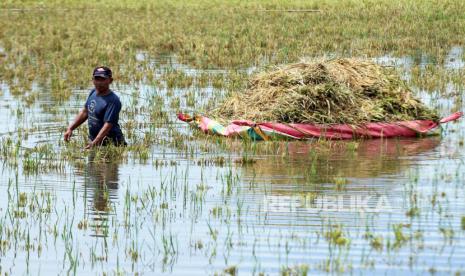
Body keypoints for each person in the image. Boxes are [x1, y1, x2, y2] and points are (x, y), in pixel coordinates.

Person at [64, 66, 126, 149]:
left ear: (110, 81)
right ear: (93, 80)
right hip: (95, 142)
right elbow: (85, 112)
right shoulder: (93, 92)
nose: (99, 82)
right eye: (97, 79)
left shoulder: (113, 100)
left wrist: (95, 143)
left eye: (103, 79)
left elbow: (108, 125)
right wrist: (70, 128)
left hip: (113, 145)